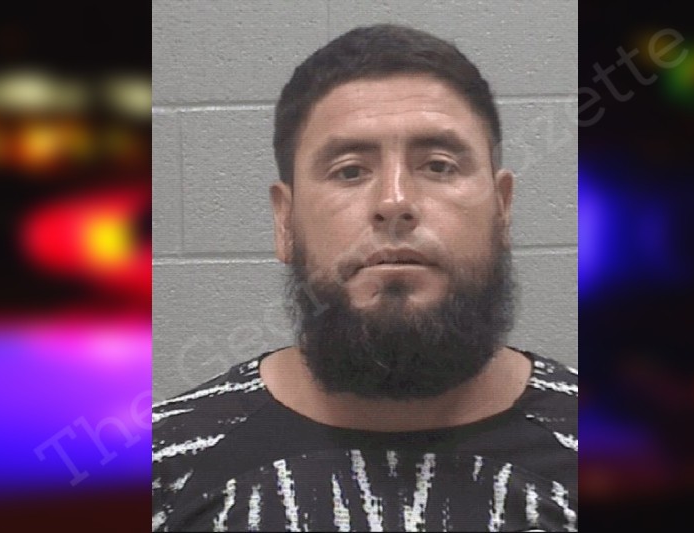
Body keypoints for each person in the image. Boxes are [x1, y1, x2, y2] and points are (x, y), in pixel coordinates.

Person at [152, 24, 577, 532]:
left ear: (502, 209)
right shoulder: (161, 466)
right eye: (350, 171)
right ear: (285, 222)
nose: (395, 202)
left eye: (439, 166)